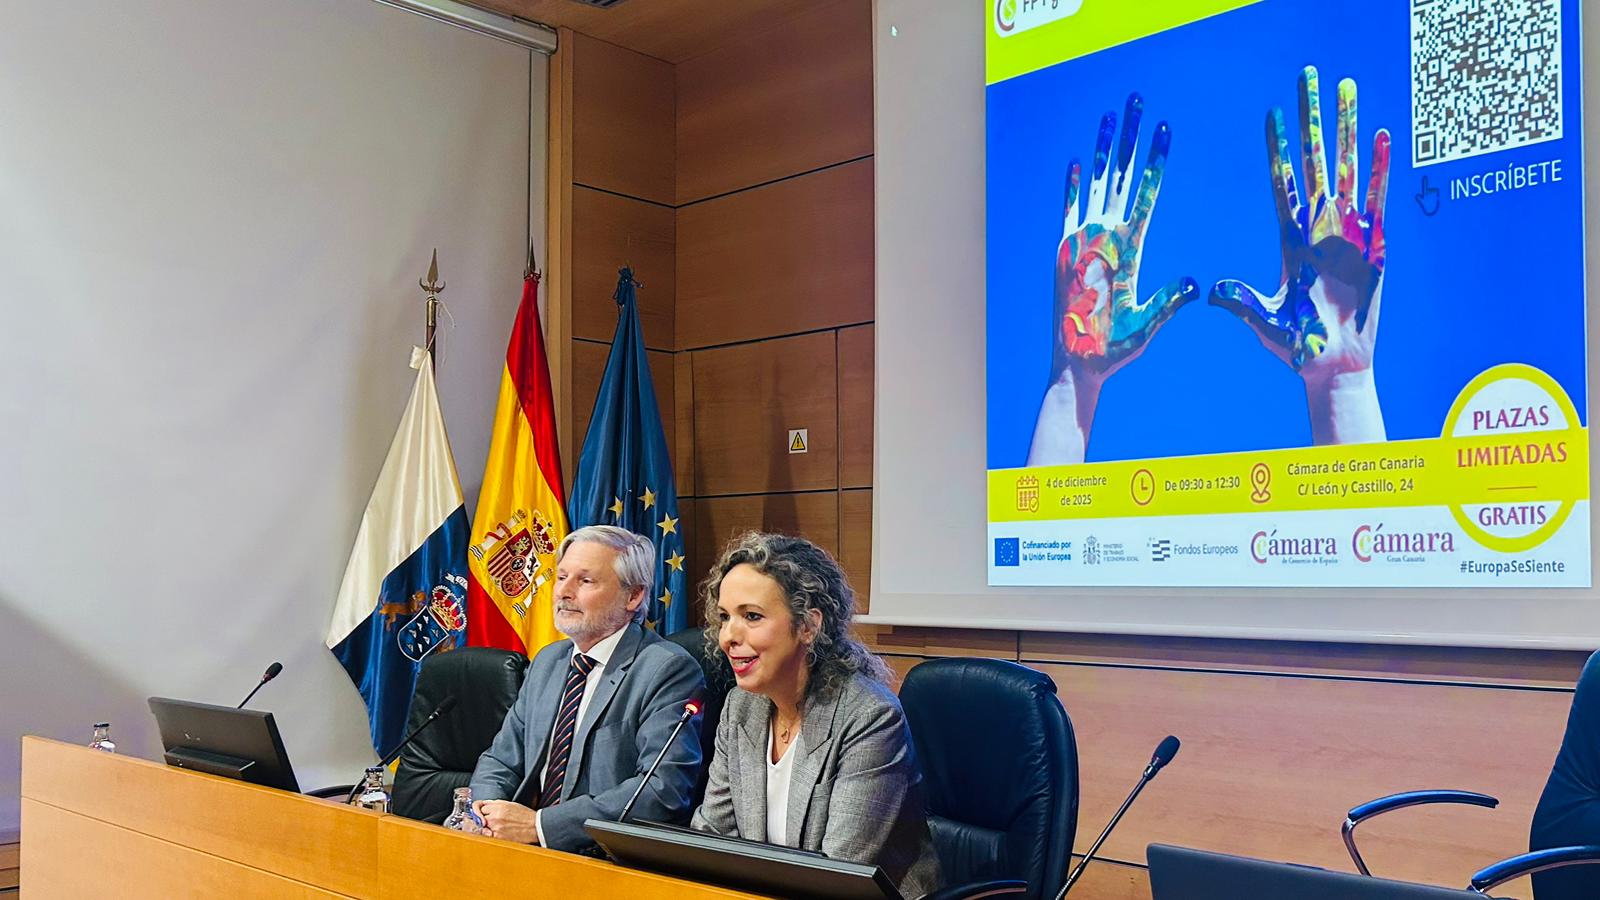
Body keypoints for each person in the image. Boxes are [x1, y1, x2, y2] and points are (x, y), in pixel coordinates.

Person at [690, 532, 942, 897]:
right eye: (725, 617)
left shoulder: (870, 717)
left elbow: (836, 874)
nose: (728, 636)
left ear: (808, 626)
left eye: (752, 616)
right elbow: (712, 837)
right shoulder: (739, 707)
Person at [469, 525, 704, 853]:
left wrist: (540, 827)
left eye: (585, 581)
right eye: (562, 577)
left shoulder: (666, 669)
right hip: (521, 852)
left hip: (602, 859)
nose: (564, 592)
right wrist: (486, 813)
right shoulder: (548, 661)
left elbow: (661, 791)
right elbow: (501, 759)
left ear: (633, 596)